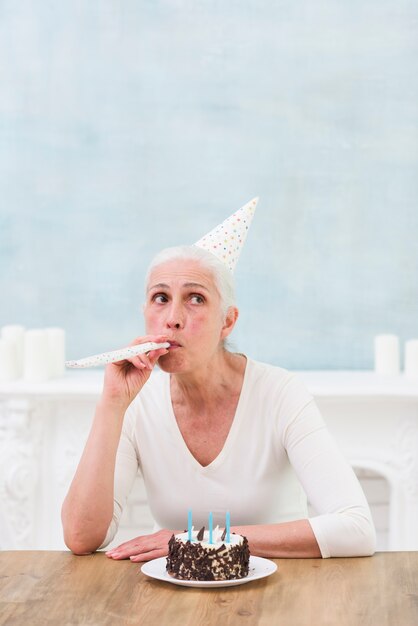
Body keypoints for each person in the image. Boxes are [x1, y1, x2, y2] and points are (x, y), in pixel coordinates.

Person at [62, 199, 376, 561]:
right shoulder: (137, 403)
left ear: (227, 321)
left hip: (282, 591)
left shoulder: (279, 393)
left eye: (195, 298)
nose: (173, 318)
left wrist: (195, 540)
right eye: (160, 298)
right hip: (174, 593)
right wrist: (112, 405)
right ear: (146, 312)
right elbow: (81, 537)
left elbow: (357, 529)